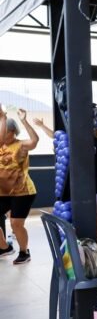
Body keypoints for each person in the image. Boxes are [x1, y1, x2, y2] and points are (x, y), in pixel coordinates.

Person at [35, 112, 97, 258]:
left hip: (94, 190)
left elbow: (56, 138)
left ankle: (95, 262)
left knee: (89, 230)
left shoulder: (83, 144)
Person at [0, 107, 38, 264]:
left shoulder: (21, 145)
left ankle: (24, 252)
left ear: (12, 132)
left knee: (16, 223)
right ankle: (5, 248)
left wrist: (24, 121)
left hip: (22, 191)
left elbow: (34, 141)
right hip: (3, 192)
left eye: (5, 131)